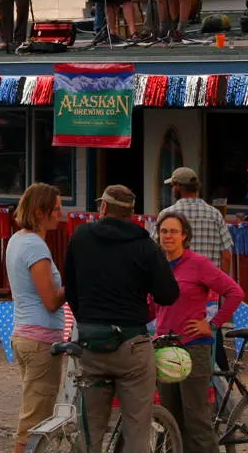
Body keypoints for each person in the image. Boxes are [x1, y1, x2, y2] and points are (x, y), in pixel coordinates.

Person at [64, 185, 179, 453]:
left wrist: (87, 319)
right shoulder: (145, 246)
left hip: (92, 343)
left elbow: (70, 288)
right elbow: (168, 294)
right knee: (137, 426)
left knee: (90, 428)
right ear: (132, 214)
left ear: (103, 208)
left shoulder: (81, 237)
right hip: (132, 345)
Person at [152, 212, 244, 453]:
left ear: (184, 236)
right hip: (163, 347)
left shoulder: (198, 264)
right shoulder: (157, 266)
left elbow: (235, 293)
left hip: (193, 346)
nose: (168, 236)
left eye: (173, 231)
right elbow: (152, 307)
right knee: (170, 419)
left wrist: (213, 324)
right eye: (163, 231)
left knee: (196, 418)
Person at [6, 183, 66, 453]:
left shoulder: (18, 239)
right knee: (34, 419)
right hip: (41, 339)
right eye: (56, 209)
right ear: (41, 212)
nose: (61, 214)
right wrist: (74, 284)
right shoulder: (35, 248)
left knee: (35, 410)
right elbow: (51, 300)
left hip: (25, 333)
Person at [154, 167, 233, 270]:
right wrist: (219, 283)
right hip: (209, 282)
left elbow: (154, 251)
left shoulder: (166, 215)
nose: (172, 189)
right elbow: (226, 256)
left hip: (177, 281)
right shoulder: (215, 215)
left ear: (177, 186)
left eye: (172, 186)